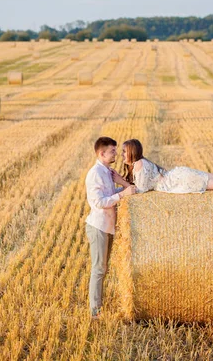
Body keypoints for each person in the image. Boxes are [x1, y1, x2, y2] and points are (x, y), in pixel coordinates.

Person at [85, 136, 136, 320]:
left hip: (107, 227)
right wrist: (122, 194)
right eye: (112, 151)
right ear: (101, 153)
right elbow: (98, 202)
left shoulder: (107, 171)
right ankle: (95, 313)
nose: (116, 154)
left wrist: (122, 186)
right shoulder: (95, 174)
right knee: (98, 269)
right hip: (98, 227)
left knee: (103, 269)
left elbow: (110, 194)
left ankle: (98, 306)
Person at [112, 130, 213, 193]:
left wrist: (120, 182)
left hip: (180, 180)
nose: (121, 154)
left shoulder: (139, 164)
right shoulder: (141, 163)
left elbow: (140, 190)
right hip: (179, 176)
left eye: (124, 151)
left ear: (132, 152)